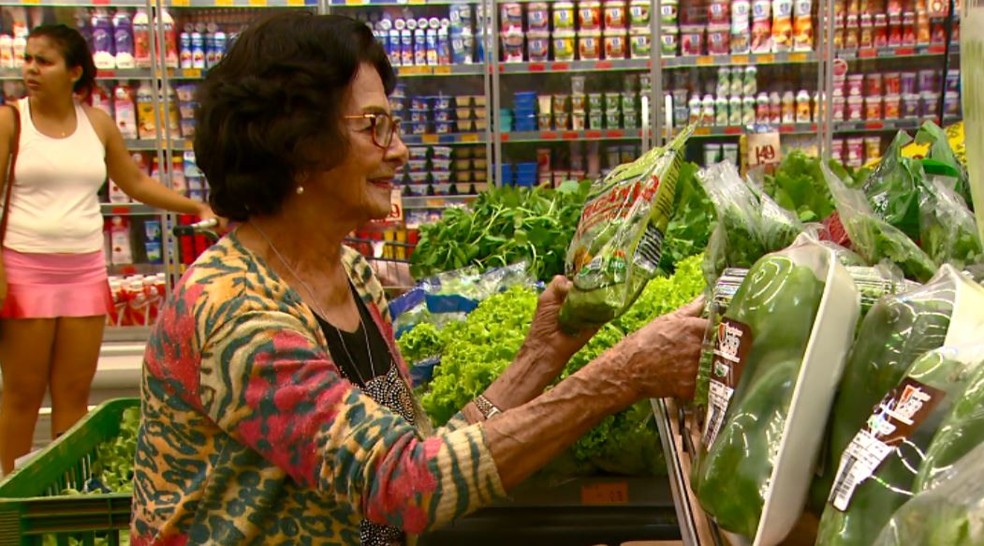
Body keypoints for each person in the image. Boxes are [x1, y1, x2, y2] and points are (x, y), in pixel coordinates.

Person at [130, 12, 706, 545]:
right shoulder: (235, 310)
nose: (400, 150)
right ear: (299, 145)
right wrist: (620, 376)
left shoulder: (350, 274)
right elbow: (405, 485)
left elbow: (423, 451)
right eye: (373, 126)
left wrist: (543, 354)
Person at [0, 24, 218, 474]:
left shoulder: (96, 124)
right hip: (24, 270)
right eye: (29, 59)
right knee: (22, 395)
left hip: (83, 271)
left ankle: (70, 493)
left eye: (44, 61)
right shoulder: (10, 121)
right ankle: (9, 500)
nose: (32, 70)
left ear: (74, 71)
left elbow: (133, 182)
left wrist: (194, 204)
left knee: (74, 395)